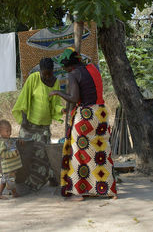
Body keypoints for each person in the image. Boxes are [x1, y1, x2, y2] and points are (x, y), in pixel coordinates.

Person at [49, 47, 117, 200]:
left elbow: (74, 98)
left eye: (65, 67)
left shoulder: (73, 74)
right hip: (101, 113)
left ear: (70, 65)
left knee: (78, 153)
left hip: (86, 115)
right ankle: (110, 190)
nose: (65, 70)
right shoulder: (93, 68)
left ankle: (79, 193)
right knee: (101, 151)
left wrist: (58, 92)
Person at [12, 57, 64, 191]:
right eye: (44, 73)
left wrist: (61, 110)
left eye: (49, 73)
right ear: (40, 71)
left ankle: (34, 184)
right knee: (26, 153)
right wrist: (24, 121)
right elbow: (24, 99)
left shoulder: (55, 82)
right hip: (28, 125)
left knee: (41, 156)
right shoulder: (33, 79)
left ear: (53, 71)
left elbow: (56, 103)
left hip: (43, 127)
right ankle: (22, 181)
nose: (47, 76)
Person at [0, 119, 23, 199]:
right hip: (8, 167)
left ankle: (3, 194)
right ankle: (11, 193)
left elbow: (14, 141)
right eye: (7, 131)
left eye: (10, 130)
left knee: (6, 180)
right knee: (10, 180)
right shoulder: (1, 142)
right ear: (0, 132)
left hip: (11, 167)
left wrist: (19, 141)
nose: (9, 133)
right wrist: (13, 153)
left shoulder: (9, 139)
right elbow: (2, 154)